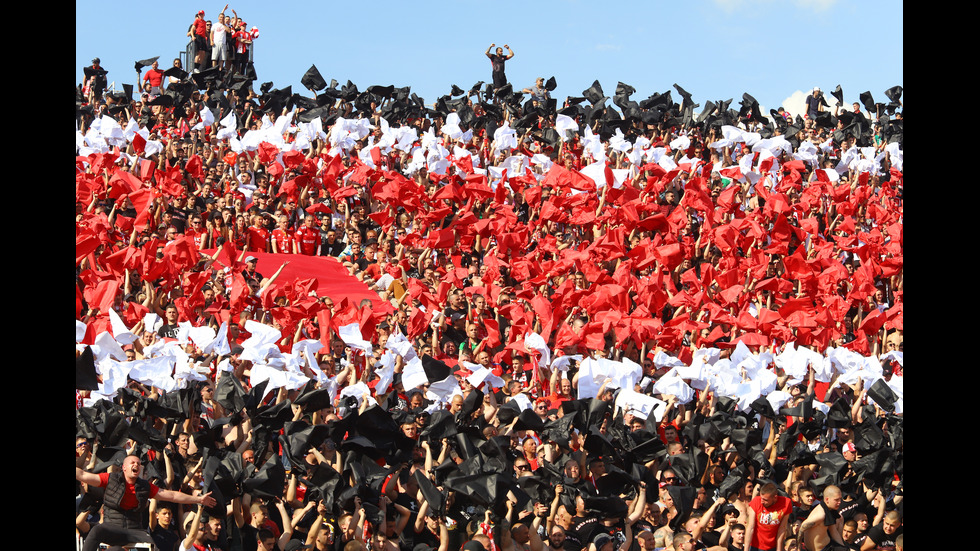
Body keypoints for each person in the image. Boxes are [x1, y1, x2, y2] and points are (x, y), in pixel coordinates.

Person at [75, 455, 216, 551]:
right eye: (132, 463)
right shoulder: (110, 479)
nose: (136, 464)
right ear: (124, 467)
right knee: (98, 531)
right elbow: (82, 475)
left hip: (134, 530)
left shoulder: (145, 487)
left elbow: (172, 495)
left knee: (150, 544)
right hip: (112, 528)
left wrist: (198, 499)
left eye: (138, 463)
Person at [745, 483, 793, 551]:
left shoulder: (786, 503)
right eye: (761, 498)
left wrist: (779, 549)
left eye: (765, 500)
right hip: (756, 545)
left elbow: (782, 528)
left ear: (775, 497)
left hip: (773, 545)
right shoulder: (756, 501)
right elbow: (750, 527)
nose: (762, 501)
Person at [800, 486, 844, 551]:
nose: (839, 502)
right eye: (836, 500)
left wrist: (843, 547)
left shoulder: (829, 509)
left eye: (840, 499)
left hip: (829, 546)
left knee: (840, 518)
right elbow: (802, 527)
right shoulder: (820, 515)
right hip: (822, 549)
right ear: (827, 499)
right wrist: (798, 547)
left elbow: (833, 531)